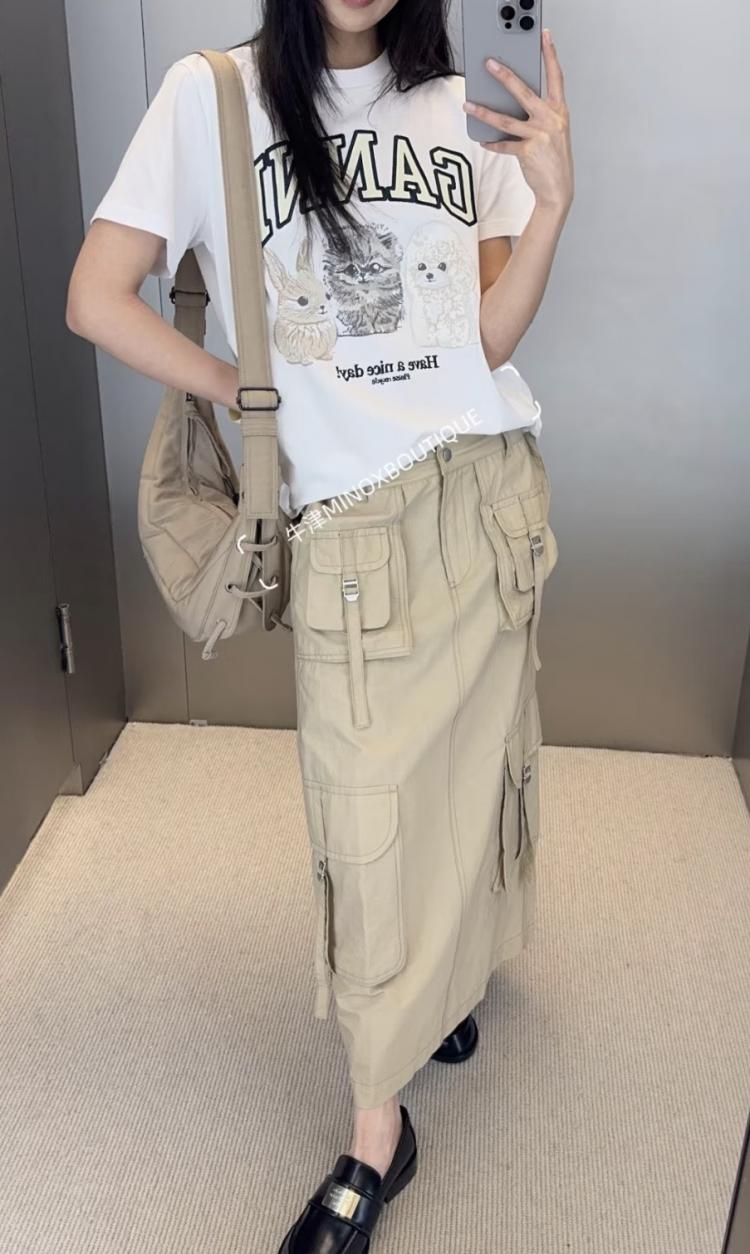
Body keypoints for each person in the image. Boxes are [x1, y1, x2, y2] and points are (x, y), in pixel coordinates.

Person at [67, 1, 573, 1249]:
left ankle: (448, 991)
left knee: (482, 771)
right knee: (368, 825)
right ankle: (377, 1133)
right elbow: (96, 296)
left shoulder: (457, 106)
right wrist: (249, 392)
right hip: (353, 531)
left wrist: (552, 205)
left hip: (485, 494)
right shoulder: (214, 97)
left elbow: (483, 341)